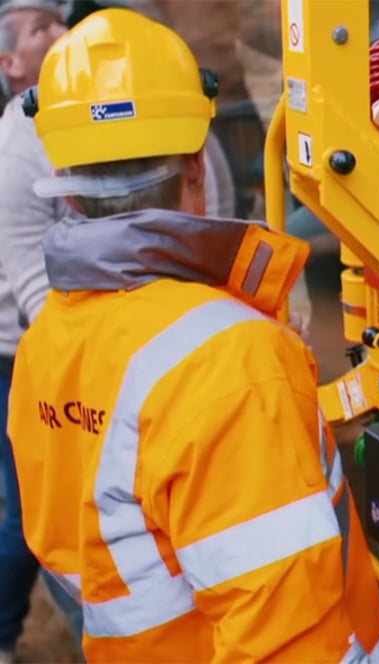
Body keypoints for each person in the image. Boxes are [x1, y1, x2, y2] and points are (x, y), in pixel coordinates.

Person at [7, 8, 379, 662]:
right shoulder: (232, 362)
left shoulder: (45, 344)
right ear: (195, 168)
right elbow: (290, 641)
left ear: (67, 193)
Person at [0, 0, 84, 660]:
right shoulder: (18, 143)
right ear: (10, 64)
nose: (59, 31)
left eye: (58, 20)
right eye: (38, 31)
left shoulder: (85, 107)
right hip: (21, 351)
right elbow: (34, 287)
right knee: (27, 514)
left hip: (69, 340)